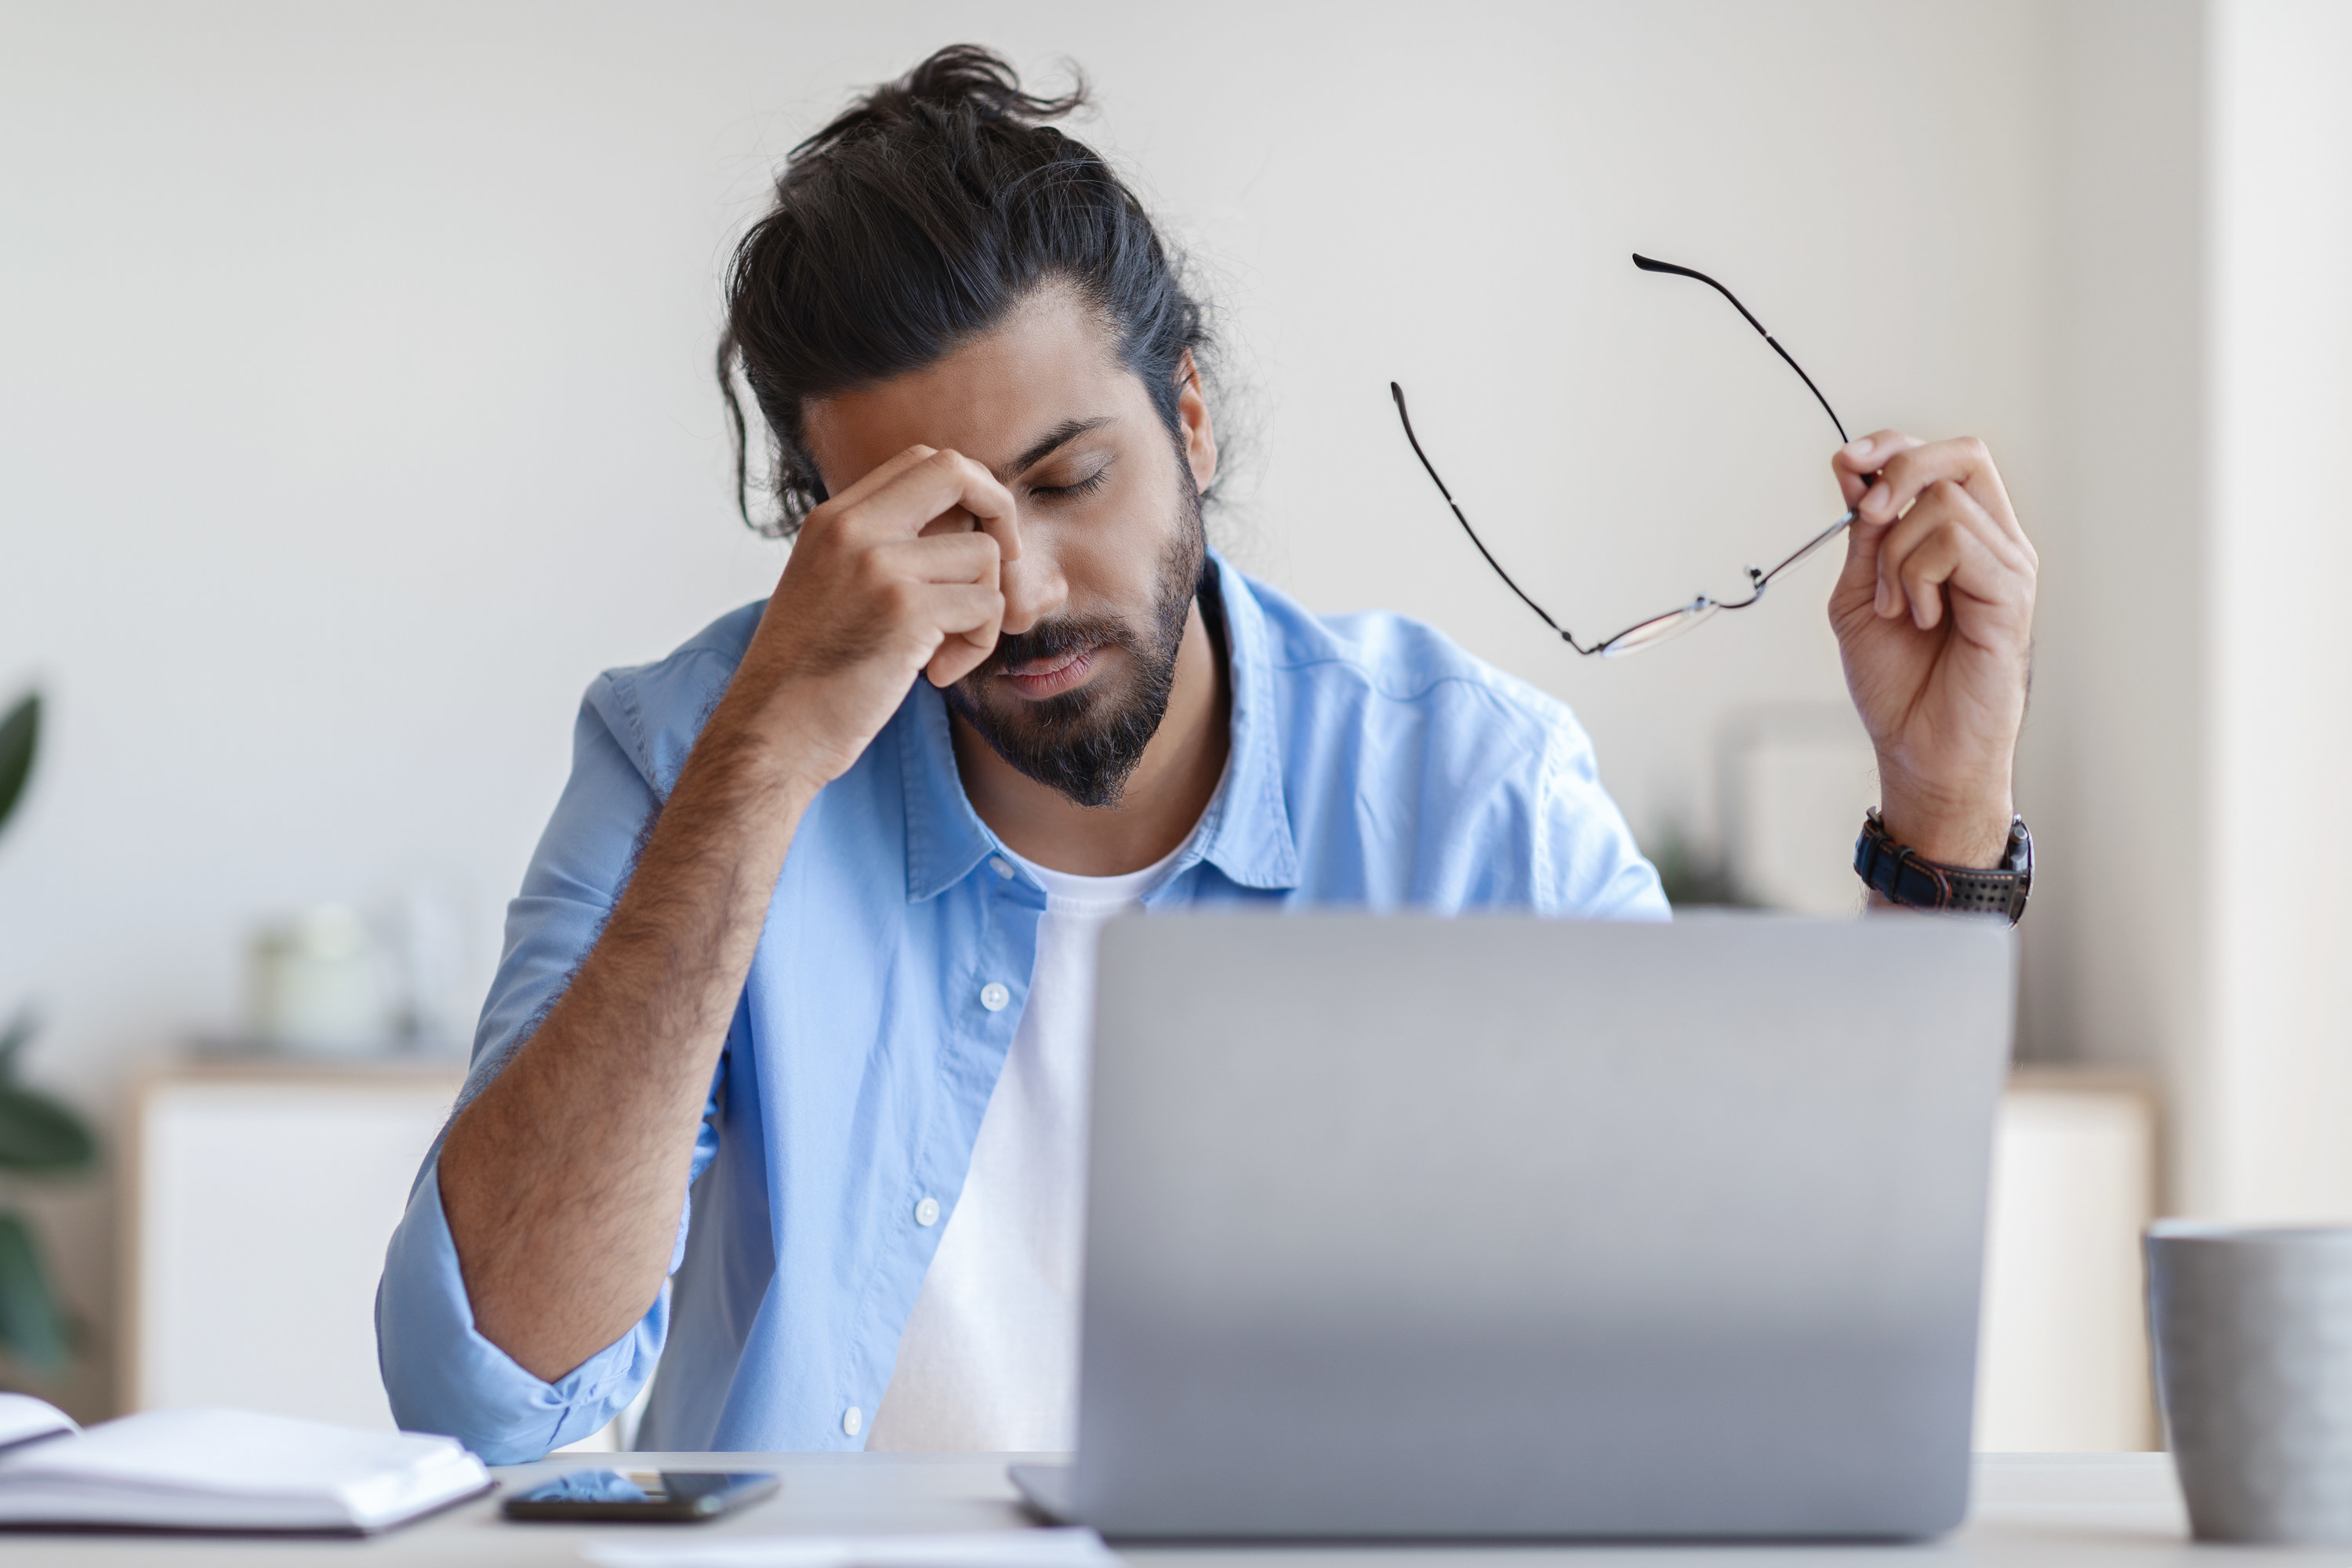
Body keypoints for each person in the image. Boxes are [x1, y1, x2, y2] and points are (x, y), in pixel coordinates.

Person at [376, 45, 2038, 1462]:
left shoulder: (1471, 796)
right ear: (823, 537)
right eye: (929, 525)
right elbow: (485, 1387)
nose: (1018, 588)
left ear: (1191, 421)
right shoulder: (692, 752)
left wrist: (1943, 806)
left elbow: (1777, 1365)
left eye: (1070, 477)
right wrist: (760, 768)